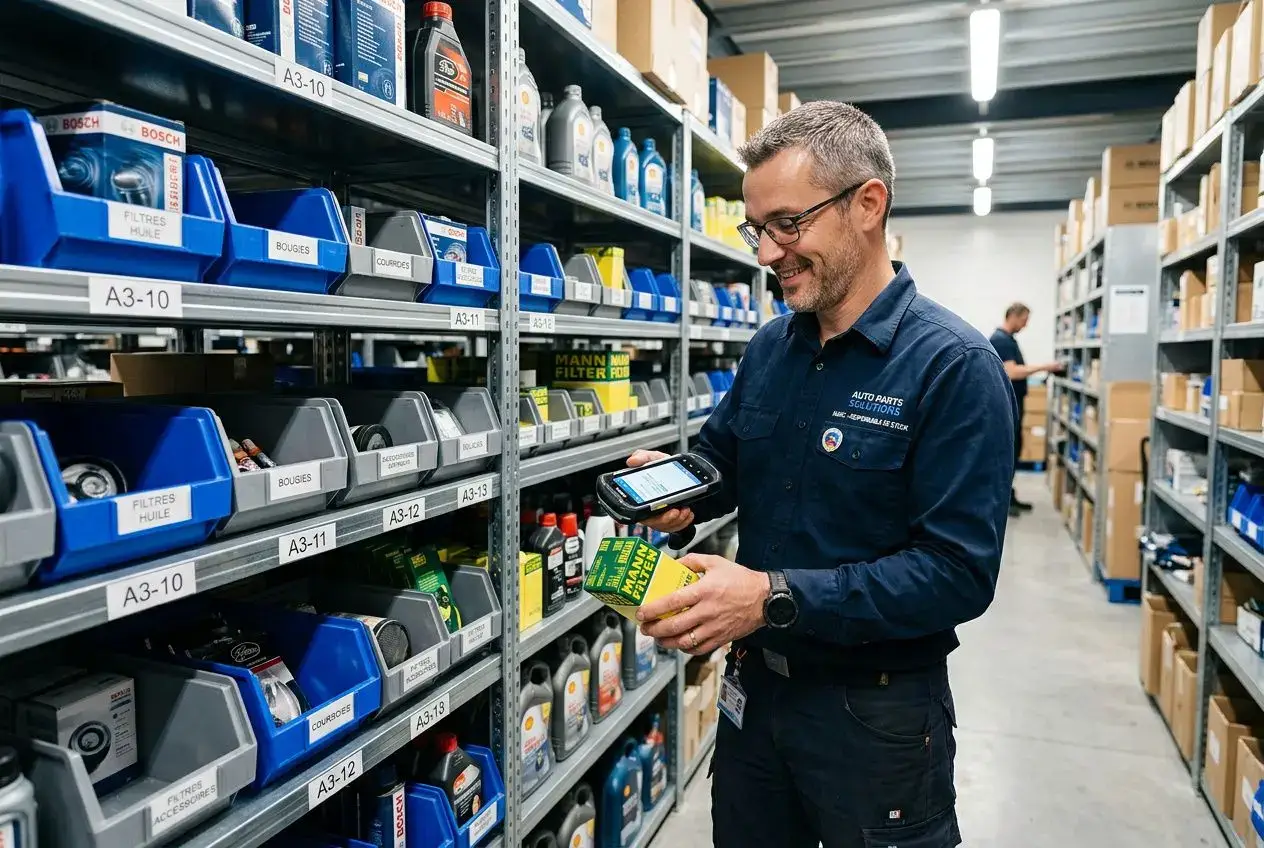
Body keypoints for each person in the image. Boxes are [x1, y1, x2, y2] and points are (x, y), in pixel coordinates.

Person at [624, 101, 1016, 848]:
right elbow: (725, 461)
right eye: (757, 229)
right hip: (756, 698)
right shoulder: (772, 347)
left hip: (875, 719)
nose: (767, 252)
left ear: (867, 204)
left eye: (787, 224)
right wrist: (681, 486)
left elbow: (958, 573)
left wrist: (770, 597)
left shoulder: (955, 367)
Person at [989, 303, 1064, 516]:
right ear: (1013, 316)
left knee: (1014, 450)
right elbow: (1011, 372)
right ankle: (1002, 502)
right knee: (1008, 452)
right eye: (1024, 319)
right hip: (1006, 406)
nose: (1026, 324)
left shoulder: (1008, 340)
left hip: (1013, 404)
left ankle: (1008, 496)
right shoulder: (1001, 340)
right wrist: (1044, 367)